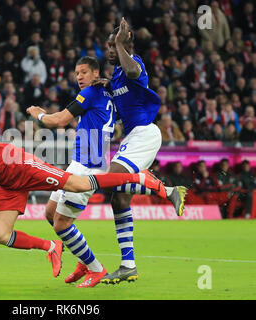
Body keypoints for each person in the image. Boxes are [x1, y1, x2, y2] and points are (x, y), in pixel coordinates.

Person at [0, 122, 167, 278]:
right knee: (0, 235)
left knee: (77, 183)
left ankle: (139, 178)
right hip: (8, 183)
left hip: (18, 164)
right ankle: (51, 247)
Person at [97, 18, 187, 285]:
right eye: (109, 46)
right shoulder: (115, 75)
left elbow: (133, 73)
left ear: (125, 45)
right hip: (132, 137)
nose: (109, 50)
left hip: (146, 133)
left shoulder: (135, 65)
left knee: (111, 179)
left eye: (113, 46)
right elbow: (119, 90)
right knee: (118, 198)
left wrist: (122, 45)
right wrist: (105, 85)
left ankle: (169, 191)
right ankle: (128, 265)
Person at [26, 56, 115, 287]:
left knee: (61, 224)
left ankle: (96, 269)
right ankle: (82, 260)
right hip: (79, 163)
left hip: (89, 167)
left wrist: (39, 114)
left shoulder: (91, 93)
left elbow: (60, 120)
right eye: (76, 73)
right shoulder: (108, 93)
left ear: (96, 73)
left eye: (84, 72)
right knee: (50, 212)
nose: (79, 77)